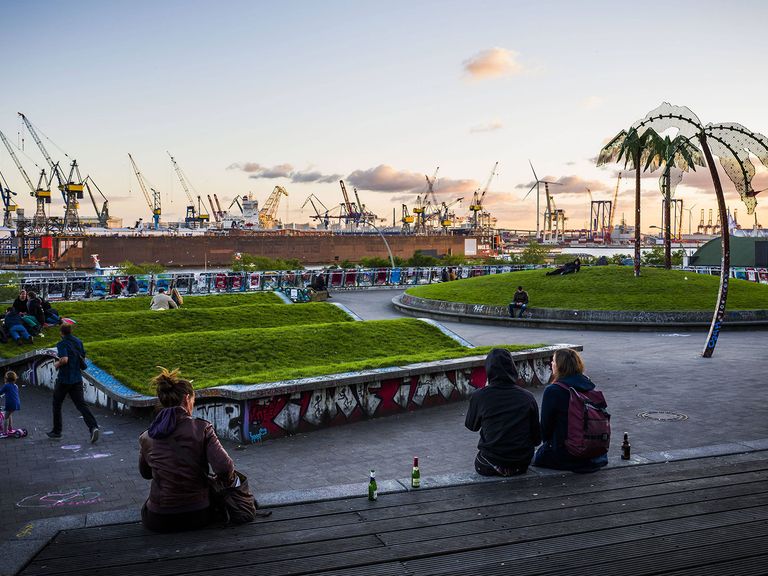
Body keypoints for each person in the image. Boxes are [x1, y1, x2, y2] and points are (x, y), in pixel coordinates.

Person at [139, 367, 235, 533]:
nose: (193, 405)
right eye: (193, 400)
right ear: (186, 398)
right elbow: (224, 467)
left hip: (158, 518)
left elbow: (146, 473)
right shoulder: (202, 428)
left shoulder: (146, 437)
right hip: (198, 514)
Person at [465, 348, 541, 477]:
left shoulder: (480, 396)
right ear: (512, 368)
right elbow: (536, 439)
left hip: (489, 463)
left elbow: (472, 426)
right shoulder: (527, 397)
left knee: (483, 455)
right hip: (521, 463)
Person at [533, 349, 609, 473]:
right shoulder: (590, 387)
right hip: (594, 455)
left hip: (566, 455)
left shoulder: (553, 391)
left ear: (559, 366)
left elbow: (545, 431)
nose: (551, 364)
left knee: (534, 457)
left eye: (553, 361)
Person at [47, 324, 100, 443]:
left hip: (64, 379)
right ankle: (93, 427)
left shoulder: (62, 344)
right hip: (77, 378)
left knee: (57, 404)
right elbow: (83, 357)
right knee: (81, 405)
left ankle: (57, 431)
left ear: (61, 332)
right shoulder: (78, 342)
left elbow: (65, 359)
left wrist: (57, 364)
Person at [0, 371, 20, 437]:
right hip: (16, 404)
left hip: (10, 404)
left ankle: (5, 433)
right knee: (9, 415)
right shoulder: (15, 386)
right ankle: (10, 429)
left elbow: (0, 392)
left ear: (6, 378)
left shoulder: (6, 386)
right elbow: (11, 393)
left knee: (5, 418)